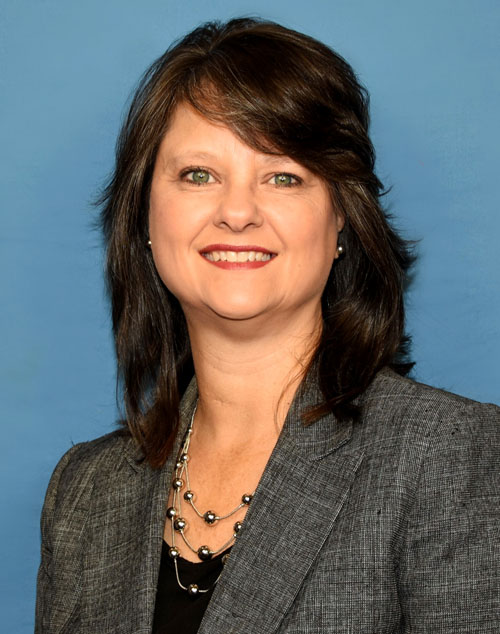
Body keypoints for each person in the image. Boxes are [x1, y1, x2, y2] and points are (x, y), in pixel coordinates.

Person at [35, 18, 499, 634]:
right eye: (198, 174)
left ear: (342, 220)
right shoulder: (84, 494)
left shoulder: (450, 457)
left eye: (283, 176)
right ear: (145, 217)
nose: (236, 212)